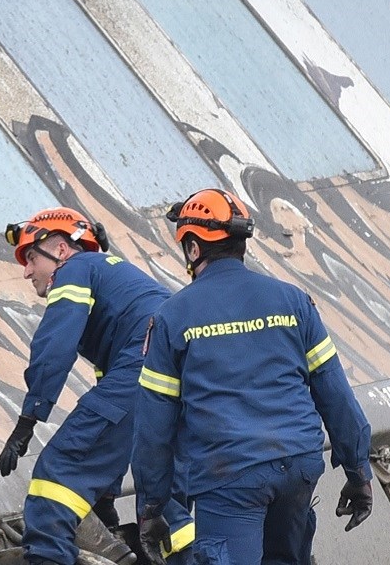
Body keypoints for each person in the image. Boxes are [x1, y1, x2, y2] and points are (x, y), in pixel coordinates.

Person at [132, 188, 373, 565]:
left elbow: (153, 427)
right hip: (298, 464)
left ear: (193, 249)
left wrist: (151, 505)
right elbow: (336, 394)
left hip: (230, 476)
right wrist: (359, 471)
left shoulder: (172, 317)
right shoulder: (294, 302)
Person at [0, 207, 193, 565]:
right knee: (164, 508)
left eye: (30, 258)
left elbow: (54, 346)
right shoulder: (120, 286)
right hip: (179, 384)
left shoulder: (76, 269)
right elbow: (119, 420)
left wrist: (29, 419)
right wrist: (105, 496)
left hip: (143, 372)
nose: (26, 272)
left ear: (60, 250)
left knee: (57, 474)